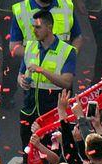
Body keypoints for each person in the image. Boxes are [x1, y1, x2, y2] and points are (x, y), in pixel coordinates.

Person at [17, 8, 76, 145]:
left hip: (52, 113)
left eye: (38, 27)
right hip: (29, 111)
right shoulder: (30, 46)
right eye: (33, 27)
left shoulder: (67, 51)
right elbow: (20, 74)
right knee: (29, 152)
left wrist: (42, 70)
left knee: (51, 151)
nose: (34, 31)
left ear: (49, 27)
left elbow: (67, 82)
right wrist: (21, 81)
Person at [9, 0, 77, 62]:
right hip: (33, 69)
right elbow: (14, 47)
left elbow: (78, 37)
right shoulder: (21, 11)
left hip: (61, 68)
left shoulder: (66, 6)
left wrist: (70, 56)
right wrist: (36, 57)